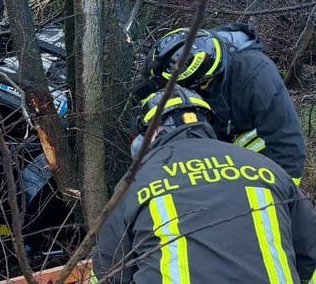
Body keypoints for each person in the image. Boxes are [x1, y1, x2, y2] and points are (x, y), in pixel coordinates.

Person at [94, 86, 316, 283]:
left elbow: (110, 273)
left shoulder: (136, 180)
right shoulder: (264, 166)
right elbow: (309, 256)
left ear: (151, 134)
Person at [137, 24, 307, 184]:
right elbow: (146, 91)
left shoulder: (256, 76)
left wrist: (285, 197)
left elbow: (287, 146)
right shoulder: (167, 61)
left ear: (206, 80)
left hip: (247, 141)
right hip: (212, 133)